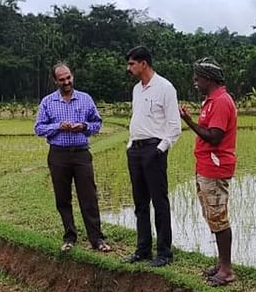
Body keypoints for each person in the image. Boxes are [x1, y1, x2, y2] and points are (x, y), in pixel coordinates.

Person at [33, 63, 113, 253]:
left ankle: (97, 239)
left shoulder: (85, 99)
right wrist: (58, 126)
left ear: (72, 77)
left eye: (68, 78)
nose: (66, 82)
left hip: (81, 154)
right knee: (63, 198)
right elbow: (38, 128)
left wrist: (84, 126)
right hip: (58, 154)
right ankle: (69, 237)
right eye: (62, 79)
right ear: (55, 81)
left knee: (89, 197)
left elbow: (97, 122)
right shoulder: (47, 102)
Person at [179, 57, 238, 286]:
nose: (195, 82)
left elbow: (215, 136)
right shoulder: (211, 101)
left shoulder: (221, 101)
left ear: (209, 79)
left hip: (215, 167)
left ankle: (227, 269)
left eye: (198, 78)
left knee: (219, 216)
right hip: (206, 166)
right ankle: (222, 264)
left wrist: (189, 122)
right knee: (213, 216)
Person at [122, 45, 182, 267]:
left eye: (131, 63)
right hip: (135, 150)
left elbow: (174, 125)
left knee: (159, 202)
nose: (129, 68)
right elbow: (138, 119)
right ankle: (143, 249)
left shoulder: (165, 88)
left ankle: (164, 253)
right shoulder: (137, 90)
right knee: (140, 203)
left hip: (153, 150)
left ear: (143, 64)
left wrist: (160, 149)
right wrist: (130, 145)